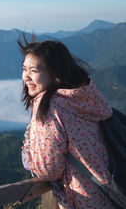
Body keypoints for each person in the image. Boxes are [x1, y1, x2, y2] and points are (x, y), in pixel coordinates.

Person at [18, 35, 115, 209]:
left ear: (54, 73)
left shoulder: (50, 107)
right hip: (110, 196)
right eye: (25, 69)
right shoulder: (86, 96)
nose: (26, 77)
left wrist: (27, 154)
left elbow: (48, 170)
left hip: (84, 201)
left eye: (34, 71)